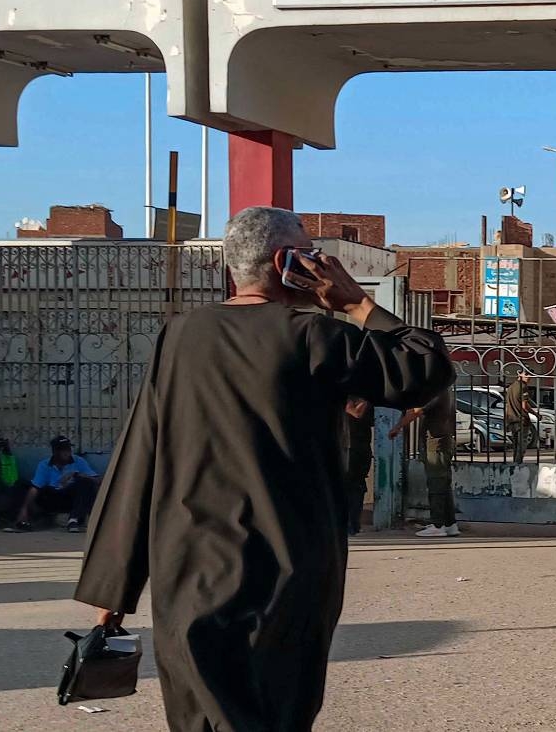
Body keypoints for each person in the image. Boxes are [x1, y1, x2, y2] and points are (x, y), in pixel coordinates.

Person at [73, 206, 453, 732]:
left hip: (188, 571)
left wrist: (111, 596)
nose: (320, 265)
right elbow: (426, 368)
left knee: (201, 718)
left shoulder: (180, 338)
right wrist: (358, 303)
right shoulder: (317, 337)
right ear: (285, 261)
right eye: (312, 255)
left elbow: (140, 456)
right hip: (286, 575)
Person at [395, 387, 460, 538]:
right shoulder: (445, 389)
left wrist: (397, 426)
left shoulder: (435, 390)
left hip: (436, 443)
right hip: (442, 441)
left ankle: (438, 525)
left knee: (436, 484)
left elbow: (416, 411)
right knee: (443, 484)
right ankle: (450, 524)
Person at [4, 436, 100, 533]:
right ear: (55, 452)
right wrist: (24, 508)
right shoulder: (44, 465)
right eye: (64, 450)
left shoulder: (78, 461)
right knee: (21, 485)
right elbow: (35, 487)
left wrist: (76, 474)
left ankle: (73, 520)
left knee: (85, 482)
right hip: (51, 497)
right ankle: (18, 519)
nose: (68, 452)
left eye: (69, 449)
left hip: (70, 498)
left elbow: (96, 480)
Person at [343, 398, 374, 536]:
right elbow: (358, 413)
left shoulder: (359, 398)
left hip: (355, 447)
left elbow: (359, 414)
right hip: (353, 446)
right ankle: (352, 524)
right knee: (353, 486)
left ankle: (352, 524)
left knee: (355, 485)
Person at [503, 370, 539, 463]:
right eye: (526, 374)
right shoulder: (523, 387)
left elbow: (507, 405)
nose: (529, 376)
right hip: (521, 420)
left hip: (512, 419)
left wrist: (507, 421)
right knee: (521, 445)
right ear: (519, 374)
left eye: (530, 374)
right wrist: (536, 414)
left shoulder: (510, 387)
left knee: (516, 444)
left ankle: (515, 462)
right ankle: (518, 464)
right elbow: (524, 406)